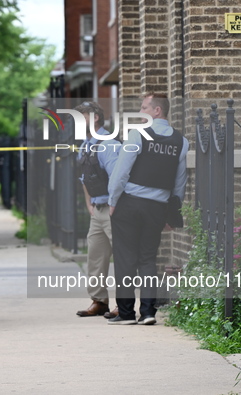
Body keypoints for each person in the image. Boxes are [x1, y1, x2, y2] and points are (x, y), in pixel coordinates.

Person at [107, 93, 188, 325]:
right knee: (147, 259)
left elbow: (121, 172)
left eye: (144, 108)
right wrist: (172, 213)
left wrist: (113, 201)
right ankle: (149, 313)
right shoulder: (181, 142)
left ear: (157, 111)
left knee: (125, 259)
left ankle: (126, 314)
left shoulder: (138, 134)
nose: (140, 113)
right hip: (157, 207)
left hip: (130, 203)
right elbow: (179, 183)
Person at [75, 101, 121, 318]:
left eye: (81, 117)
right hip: (97, 209)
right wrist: (88, 202)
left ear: (94, 118)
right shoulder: (85, 145)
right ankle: (99, 301)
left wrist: (113, 205)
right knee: (95, 257)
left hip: (113, 210)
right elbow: (84, 177)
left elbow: (117, 178)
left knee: (122, 258)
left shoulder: (108, 144)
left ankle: (124, 303)